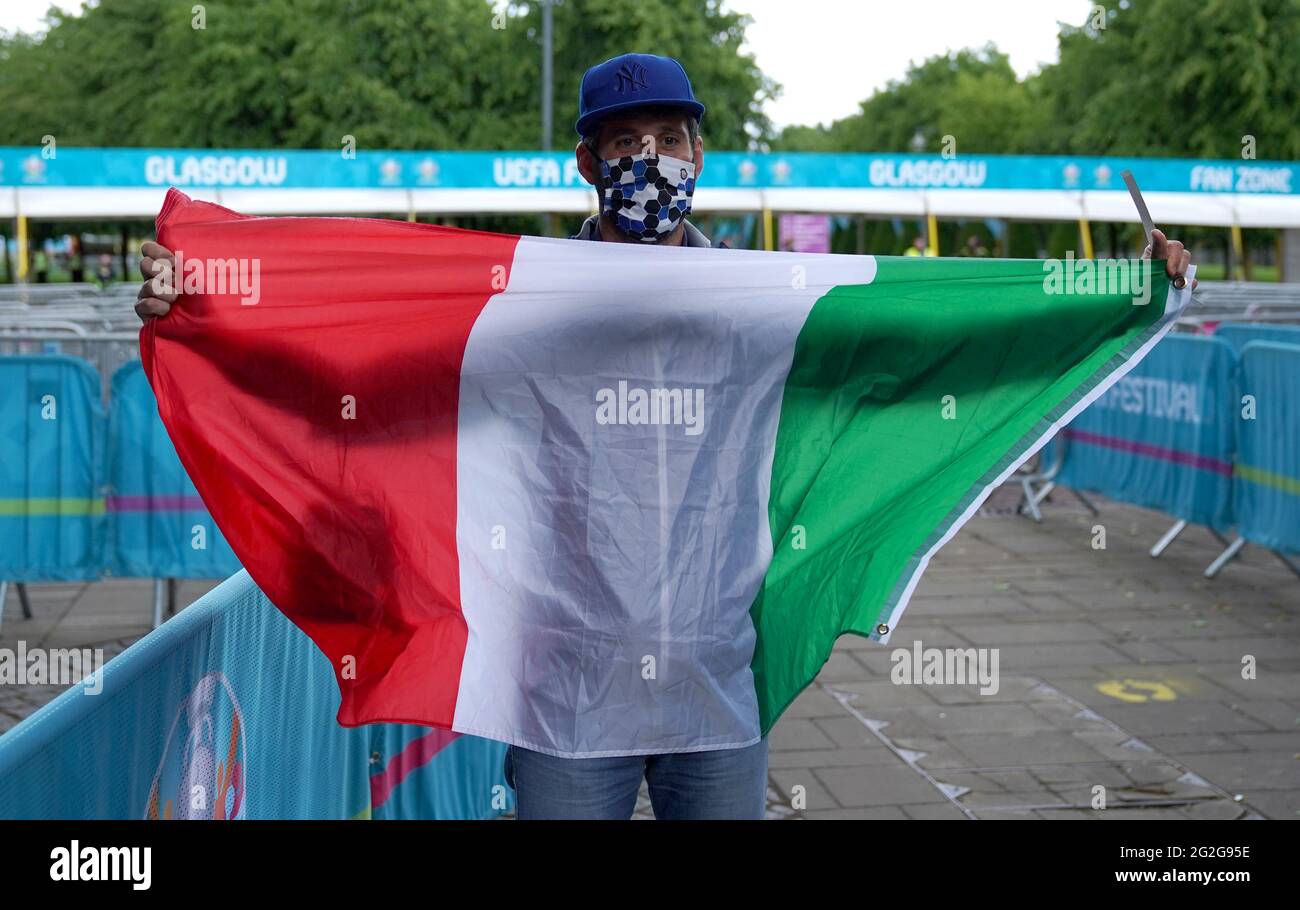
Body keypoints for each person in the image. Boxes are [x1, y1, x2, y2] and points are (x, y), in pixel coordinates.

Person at [132, 52, 1196, 820]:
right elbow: (360, 355)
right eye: (627, 142)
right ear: (586, 163)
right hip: (565, 689)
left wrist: (1119, 285)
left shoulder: (767, 302)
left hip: (711, 678)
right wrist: (206, 298)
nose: (652, 158)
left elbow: (934, 331)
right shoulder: (524, 303)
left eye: (671, 140)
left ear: (701, 155)